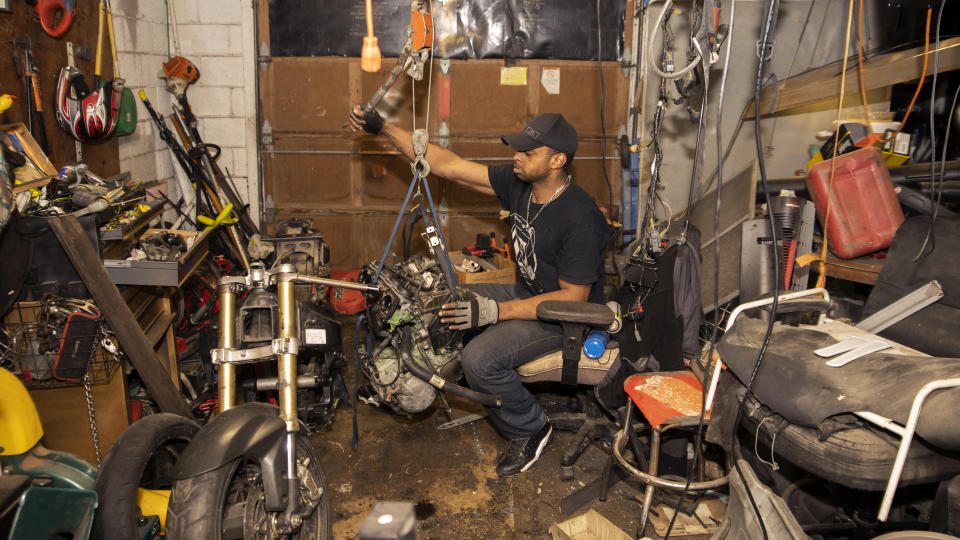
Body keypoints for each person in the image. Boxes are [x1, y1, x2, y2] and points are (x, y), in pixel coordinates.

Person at [349, 107, 609, 477]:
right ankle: (406, 379)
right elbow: (448, 165)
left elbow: (573, 300)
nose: (516, 158)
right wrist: (382, 129)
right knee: (446, 304)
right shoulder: (522, 184)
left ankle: (530, 427)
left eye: (528, 153)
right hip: (529, 291)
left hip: (565, 318)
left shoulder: (580, 217)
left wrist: (496, 312)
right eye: (517, 149)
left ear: (558, 160)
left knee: (479, 360)